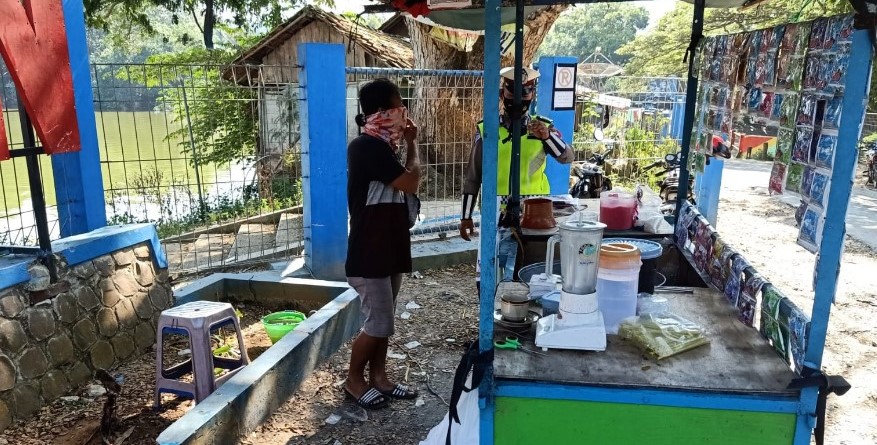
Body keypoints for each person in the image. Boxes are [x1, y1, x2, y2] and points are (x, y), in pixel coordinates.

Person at [458, 67, 575, 291]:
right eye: (512, 93)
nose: (519, 100)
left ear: (532, 96)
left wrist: (547, 136)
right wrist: (466, 216)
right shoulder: (488, 130)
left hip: (535, 213)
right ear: (502, 94)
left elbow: (566, 157)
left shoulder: (543, 127)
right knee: (489, 274)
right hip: (496, 212)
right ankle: (492, 320)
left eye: (525, 93)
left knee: (532, 270)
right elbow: (473, 176)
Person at [345, 78, 420, 409]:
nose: (402, 113)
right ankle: (353, 380)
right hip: (370, 252)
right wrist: (414, 145)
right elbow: (412, 180)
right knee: (378, 323)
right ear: (380, 113)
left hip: (388, 248)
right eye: (397, 107)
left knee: (383, 320)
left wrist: (404, 144)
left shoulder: (384, 148)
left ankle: (379, 378)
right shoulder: (365, 147)